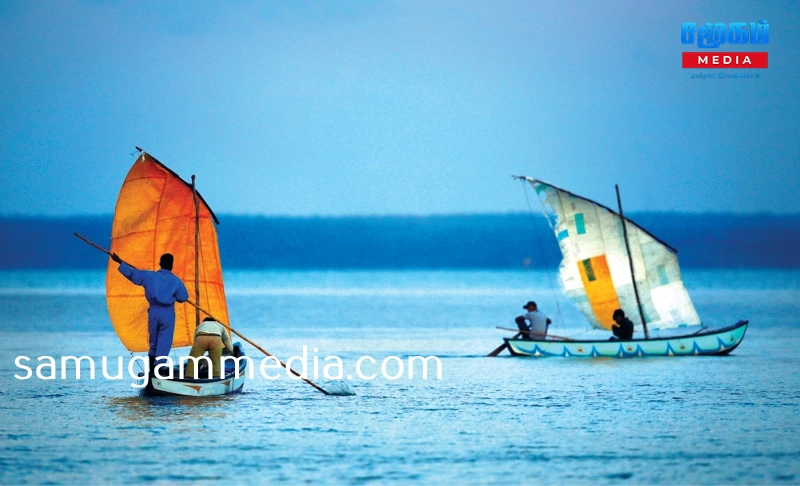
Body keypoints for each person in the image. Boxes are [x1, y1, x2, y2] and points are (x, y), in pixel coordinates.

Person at [111, 252, 189, 374]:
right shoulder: (175, 281)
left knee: (153, 340)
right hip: (167, 313)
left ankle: (152, 369)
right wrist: (173, 295)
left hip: (153, 311)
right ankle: (159, 367)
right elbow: (183, 297)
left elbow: (133, 274)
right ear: (172, 265)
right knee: (164, 340)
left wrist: (120, 262)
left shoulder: (149, 276)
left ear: (160, 263)